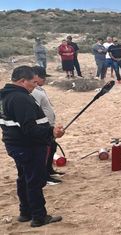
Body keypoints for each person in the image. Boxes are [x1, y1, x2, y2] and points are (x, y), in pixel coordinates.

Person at [1, 66, 65, 227]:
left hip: (16, 145)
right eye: (33, 82)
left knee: (24, 178)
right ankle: (38, 216)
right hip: (28, 147)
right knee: (35, 181)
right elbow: (29, 129)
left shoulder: (6, 96)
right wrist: (52, 132)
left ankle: (25, 212)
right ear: (23, 81)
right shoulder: (20, 98)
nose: (35, 86)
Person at [30, 67, 64, 185]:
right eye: (42, 77)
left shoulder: (40, 90)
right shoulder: (33, 92)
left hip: (49, 126)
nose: (45, 80)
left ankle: (49, 170)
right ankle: (44, 176)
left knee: (52, 148)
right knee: (45, 151)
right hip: (43, 127)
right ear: (36, 77)